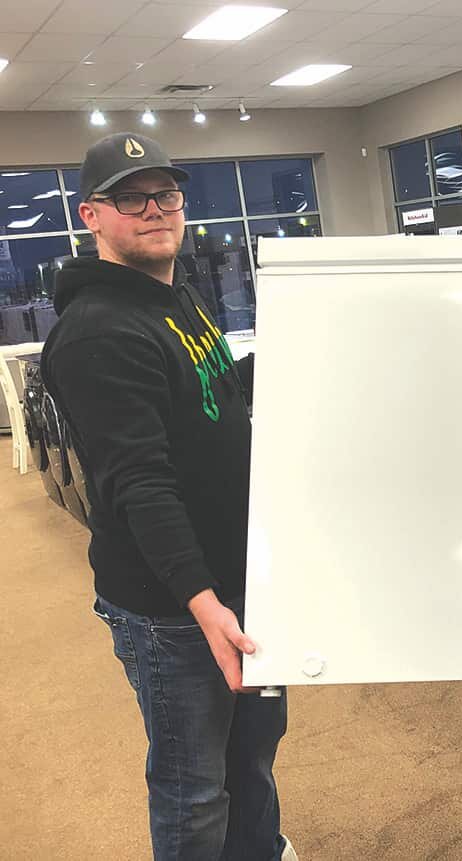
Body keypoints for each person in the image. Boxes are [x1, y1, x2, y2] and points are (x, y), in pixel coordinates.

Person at [41, 133, 296, 861]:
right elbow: (139, 483)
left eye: (166, 194)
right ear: (92, 216)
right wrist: (204, 603)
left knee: (254, 748)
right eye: (131, 197)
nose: (155, 210)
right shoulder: (97, 333)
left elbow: (211, 393)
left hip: (240, 577)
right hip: (173, 608)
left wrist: (291, 360)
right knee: (194, 786)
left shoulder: (174, 295)